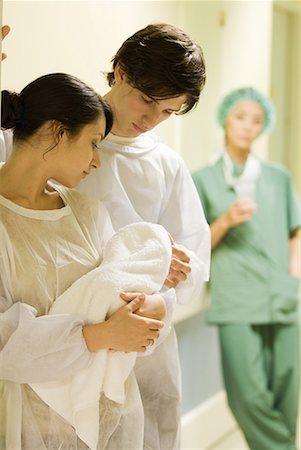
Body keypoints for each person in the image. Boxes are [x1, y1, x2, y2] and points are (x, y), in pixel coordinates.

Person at [0, 72, 167, 449]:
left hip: (102, 421)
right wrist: (97, 335)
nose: (97, 162)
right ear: (58, 132)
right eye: (93, 144)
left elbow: (121, 288)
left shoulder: (88, 213)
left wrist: (153, 305)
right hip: (24, 426)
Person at [77, 23, 211, 450]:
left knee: (147, 433)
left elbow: (193, 257)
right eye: (147, 101)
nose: (151, 121)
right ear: (119, 72)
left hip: (146, 338)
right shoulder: (62, 136)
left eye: (168, 112)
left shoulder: (166, 164)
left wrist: (163, 299)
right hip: (75, 333)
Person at [192, 87, 301, 450]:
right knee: (247, 395)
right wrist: (224, 221)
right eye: (241, 117)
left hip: (282, 293)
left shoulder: (278, 177)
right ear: (225, 118)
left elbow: (295, 230)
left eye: (256, 120)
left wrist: (294, 275)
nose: (248, 127)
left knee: (286, 389)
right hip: (236, 295)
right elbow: (195, 246)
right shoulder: (203, 179)